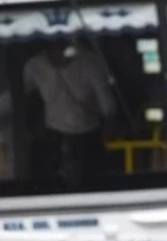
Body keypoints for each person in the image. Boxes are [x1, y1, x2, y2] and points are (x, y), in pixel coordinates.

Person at [23, 41, 117, 187]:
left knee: (92, 180)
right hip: (54, 135)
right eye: (52, 50)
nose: (56, 55)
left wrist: (108, 123)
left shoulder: (89, 63)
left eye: (60, 50)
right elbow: (16, 95)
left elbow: (106, 102)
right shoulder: (35, 66)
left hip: (87, 134)